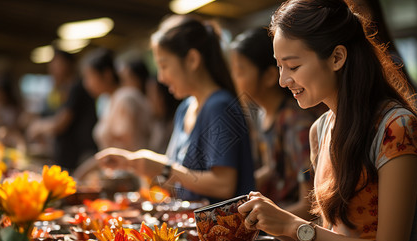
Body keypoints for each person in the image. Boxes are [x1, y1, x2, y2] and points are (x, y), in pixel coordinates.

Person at [238, 0, 417, 241]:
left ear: (337, 57)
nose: (284, 80)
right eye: (279, 66)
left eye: (294, 66)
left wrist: (290, 224)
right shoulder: (320, 130)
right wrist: (271, 224)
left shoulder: (396, 127)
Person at [96, 15, 255, 204]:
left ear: (192, 60)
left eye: (164, 66)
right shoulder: (185, 108)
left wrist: (163, 169)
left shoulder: (219, 105)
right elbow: (180, 176)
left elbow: (223, 185)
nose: (161, 78)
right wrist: (133, 163)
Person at [230, 27, 320, 219]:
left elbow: (310, 206)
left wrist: (262, 224)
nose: (234, 80)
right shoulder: (261, 116)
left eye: (240, 71)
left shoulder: (296, 122)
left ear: (270, 76)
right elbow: (272, 169)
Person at [27, 49, 98, 171]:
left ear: (69, 64)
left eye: (57, 64)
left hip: (81, 158)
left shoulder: (77, 87)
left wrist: (39, 127)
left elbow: (61, 123)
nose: (52, 69)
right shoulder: (62, 90)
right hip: (69, 158)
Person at [82, 48, 152, 151]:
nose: (87, 84)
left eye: (90, 77)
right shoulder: (109, 101)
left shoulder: (125, 98)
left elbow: (129, 148)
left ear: (107, 74)